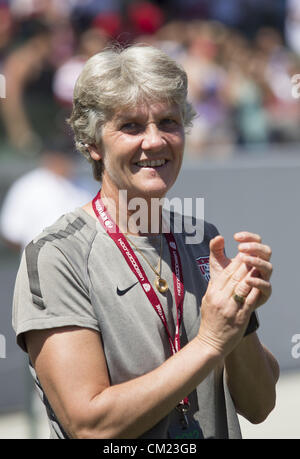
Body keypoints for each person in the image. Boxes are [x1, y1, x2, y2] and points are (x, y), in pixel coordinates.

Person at [12, 44, 279, 439]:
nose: (155, 141)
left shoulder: (204, 240)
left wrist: (237, 318)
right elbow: (91, 425)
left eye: (168, 121)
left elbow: (260, 406)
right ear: (92, 144)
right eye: (131, 126)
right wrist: (208, 342)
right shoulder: (57, 255)